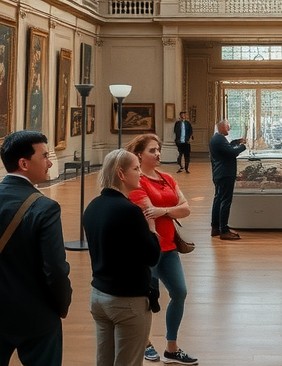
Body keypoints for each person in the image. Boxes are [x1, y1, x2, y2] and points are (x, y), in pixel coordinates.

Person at [0, 130, 72, 366]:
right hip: (36, 314)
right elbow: (55, 269)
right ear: (23, 163)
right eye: (44, 156)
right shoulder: (45, 207)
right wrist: (61, 305)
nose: (49, 162)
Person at [84, 149, 162, 366]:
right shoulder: (129, 211)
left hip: (99, 296)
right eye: (136, 169)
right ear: (121, 174)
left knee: (104, 361)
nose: (141, 174)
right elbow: (152, 256)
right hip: (127, 301)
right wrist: (152, 228)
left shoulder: (92, 207)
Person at [127, 134, 198, 366]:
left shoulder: (166, 178)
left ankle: (171, 347)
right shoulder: (136, 182)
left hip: (169, 248)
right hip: (147, 250)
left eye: (158, 150)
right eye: (152, 150)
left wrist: (164, 211)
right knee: (145, 300)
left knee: (180, 292)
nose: (158, 154)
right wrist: (170, 208)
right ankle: (145, 343)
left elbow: (186, 209)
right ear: (139, 155)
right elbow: (148, 212)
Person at [209, 120, 245, 240]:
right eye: (227, 126)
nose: (229, 129)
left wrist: (236, 142)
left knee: (218, 200)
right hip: (225, 174)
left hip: (220, 174)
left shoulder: (217, 138)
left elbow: (227, 147)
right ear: (221, 127)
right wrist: (243, 146)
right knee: (225, 201)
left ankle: (216, 227)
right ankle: (223, 230)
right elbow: (231, 152)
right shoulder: (219, 139)